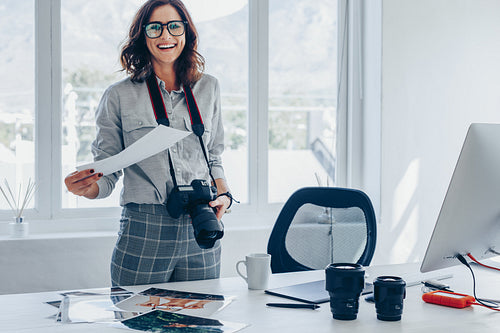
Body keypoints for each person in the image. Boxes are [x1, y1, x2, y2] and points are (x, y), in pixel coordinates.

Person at [64, 0, 232, 286]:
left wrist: (225, 197)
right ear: (143, 36)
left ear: (186, 33)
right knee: (135, 319)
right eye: (155, 28)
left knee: (198, 323)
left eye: (174, 26)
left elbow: (213, 157)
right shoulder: (118, 96)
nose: (165, 36)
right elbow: (108, 170)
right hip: (145, 227)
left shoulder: (209, 87)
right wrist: (87, 188)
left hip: (201, 224)